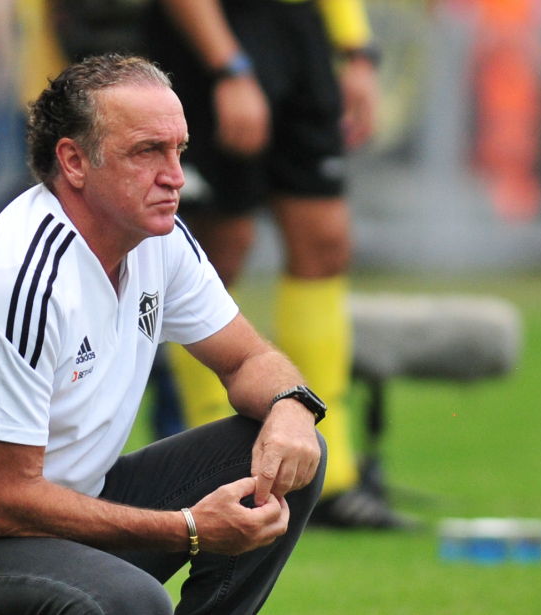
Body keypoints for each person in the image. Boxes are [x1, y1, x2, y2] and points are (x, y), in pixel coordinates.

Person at [0, 54, 327, 615]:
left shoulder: (160, 237)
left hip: (59, 512)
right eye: (147, 151)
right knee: (128, 601)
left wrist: (293, 406)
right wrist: (191, 529)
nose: (175, 176)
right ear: (73, 161)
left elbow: (246, 361)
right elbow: (6, 502)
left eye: (179, 150)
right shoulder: (16, 279)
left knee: (290, 455)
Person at [144, 0, 406, 527]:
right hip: (213, 38)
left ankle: (331, 479)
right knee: (217, 246)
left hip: (299, 31)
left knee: (325, 241)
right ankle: (217, 472)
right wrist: (228, 66)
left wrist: (355, 50)